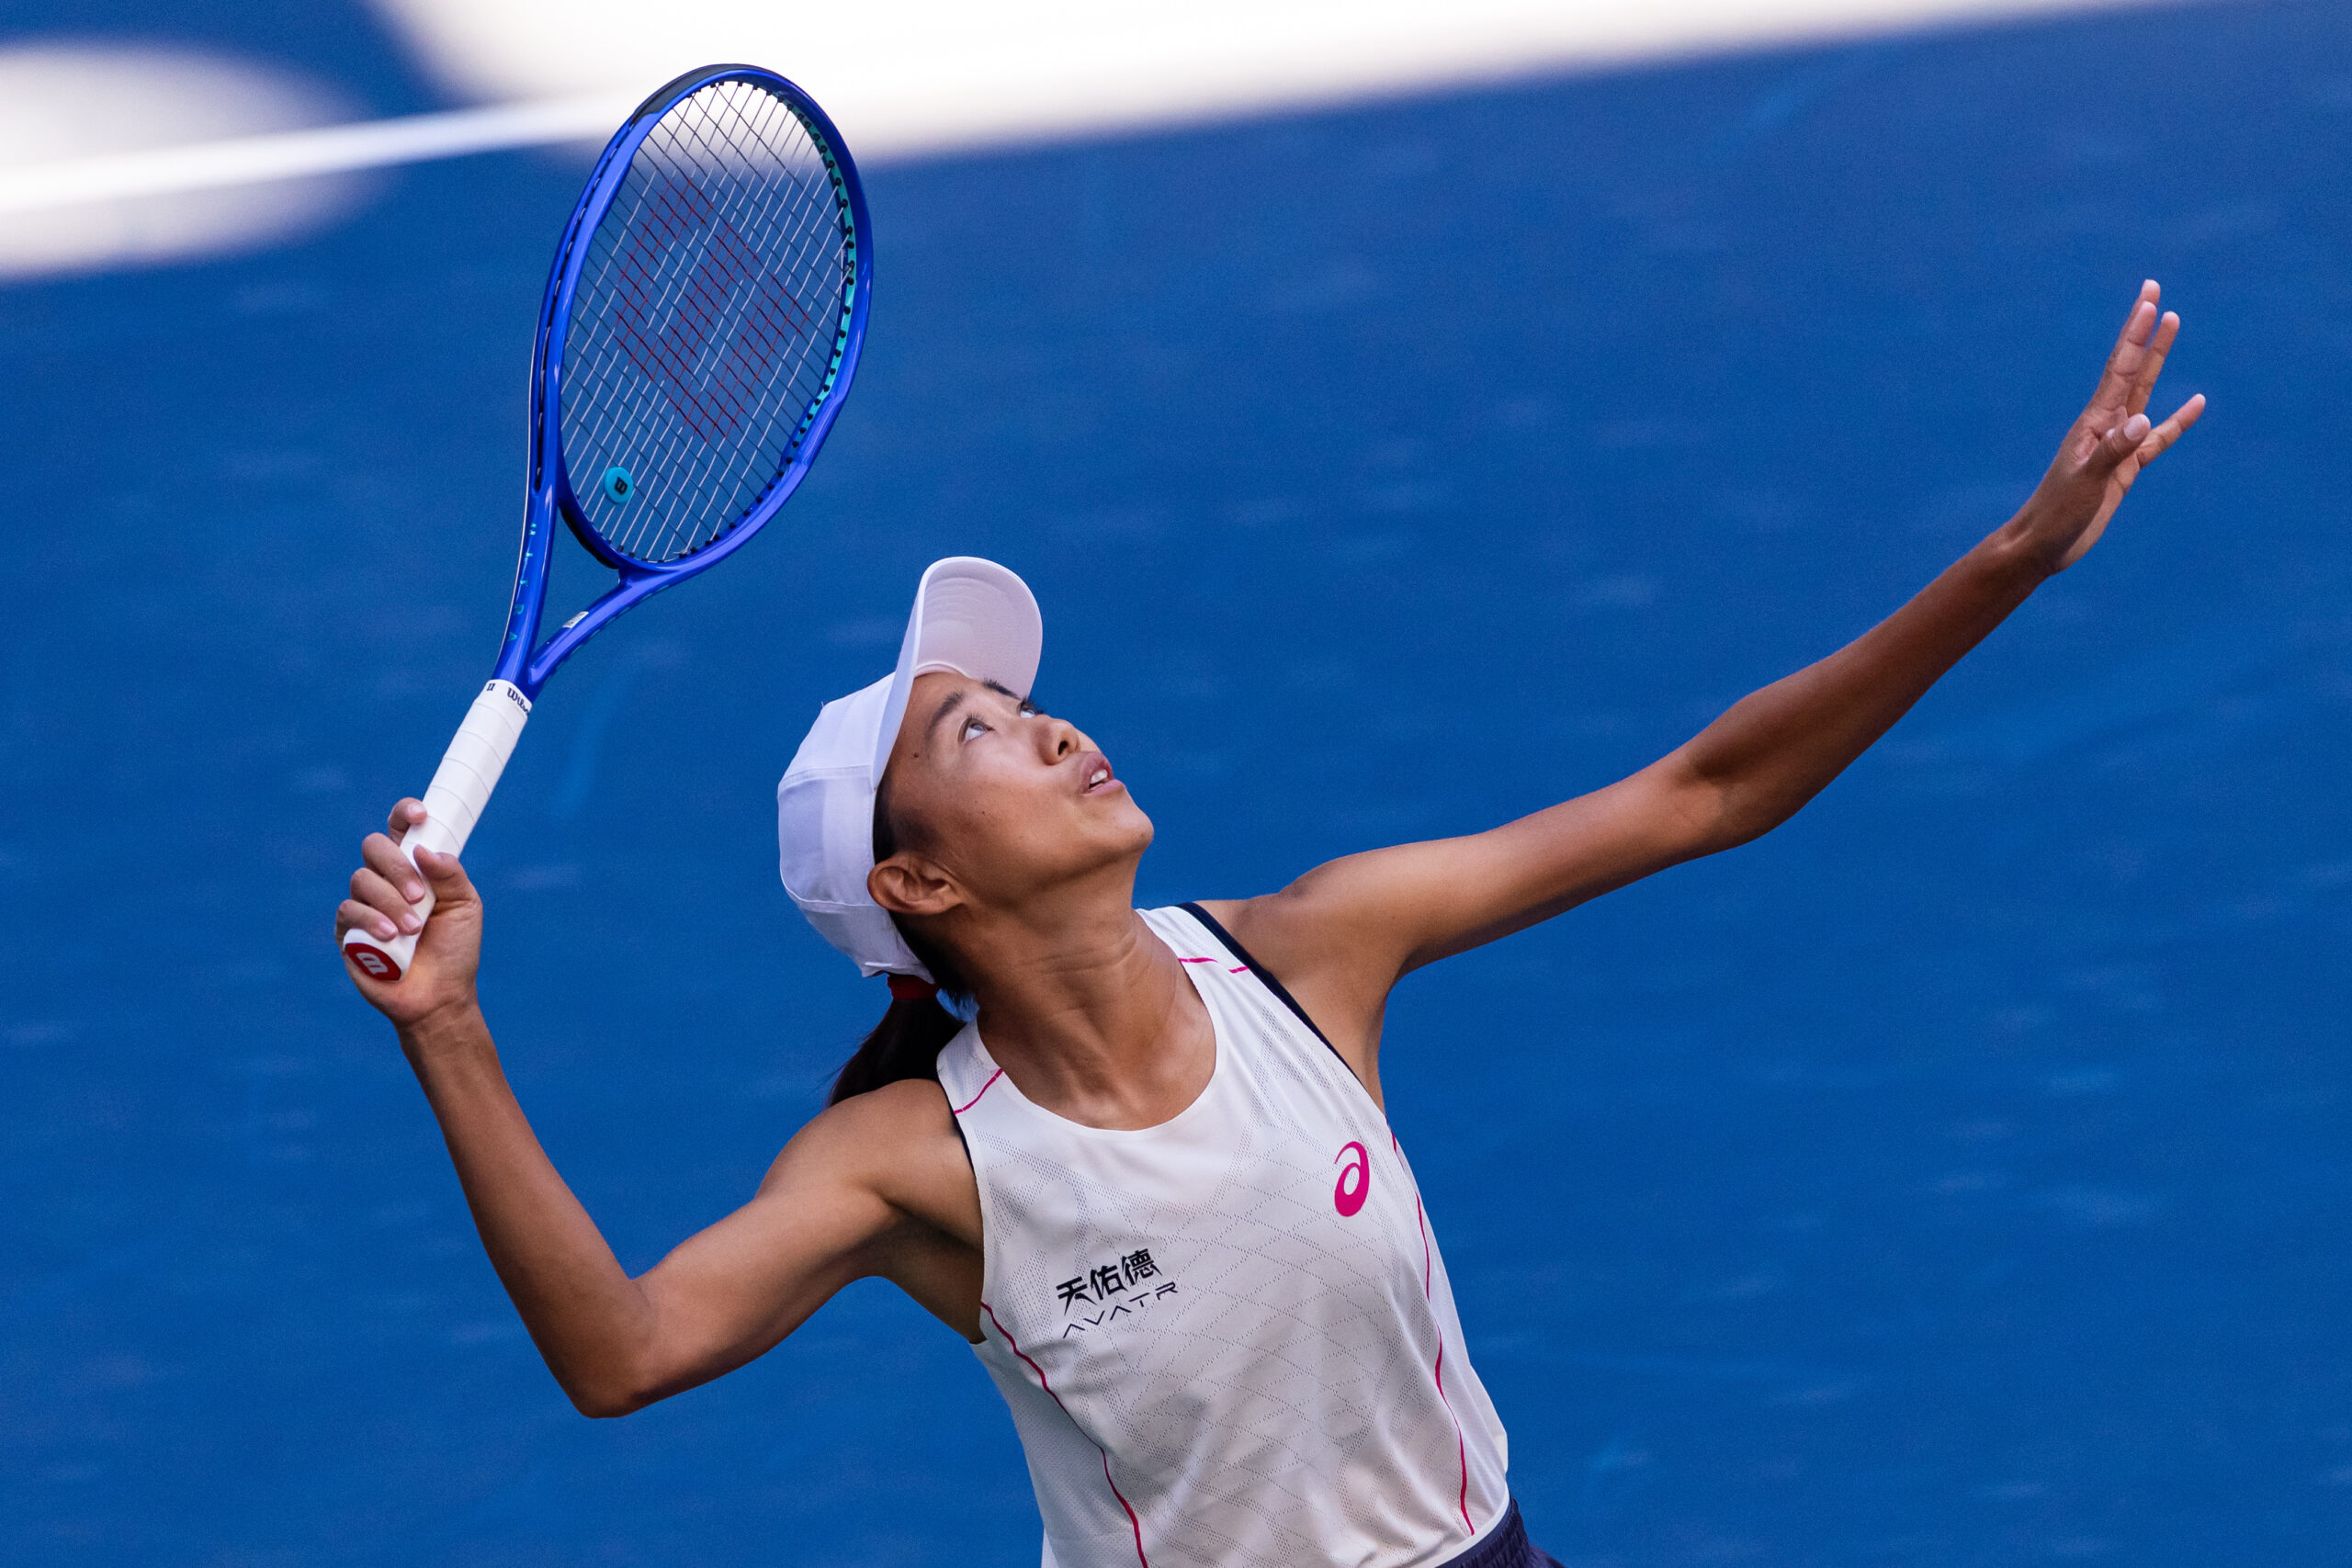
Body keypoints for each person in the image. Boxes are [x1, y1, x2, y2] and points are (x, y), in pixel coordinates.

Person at [337, 282, 2202, 1567]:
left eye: (1026, 699)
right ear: (913, 884)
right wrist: (449, 1028)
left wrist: (2006, 562)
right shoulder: (912, 1159)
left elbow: (1703, 791)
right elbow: (627, 1351)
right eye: (979, 732)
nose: (1054, 724)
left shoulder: (1310, 950)